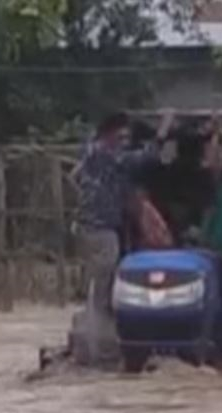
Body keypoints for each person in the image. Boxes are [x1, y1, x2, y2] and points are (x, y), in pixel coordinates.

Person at [74, 111, 173, 317]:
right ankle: (98, 314)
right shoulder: (109, 156)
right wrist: (162, 132)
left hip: (91, 224)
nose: (124, 143)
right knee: (106, 269)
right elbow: (146, 157)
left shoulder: (89, 151)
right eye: (120, 137)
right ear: (109, 135)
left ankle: (96, 310)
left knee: (102, 269)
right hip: (100, 225)